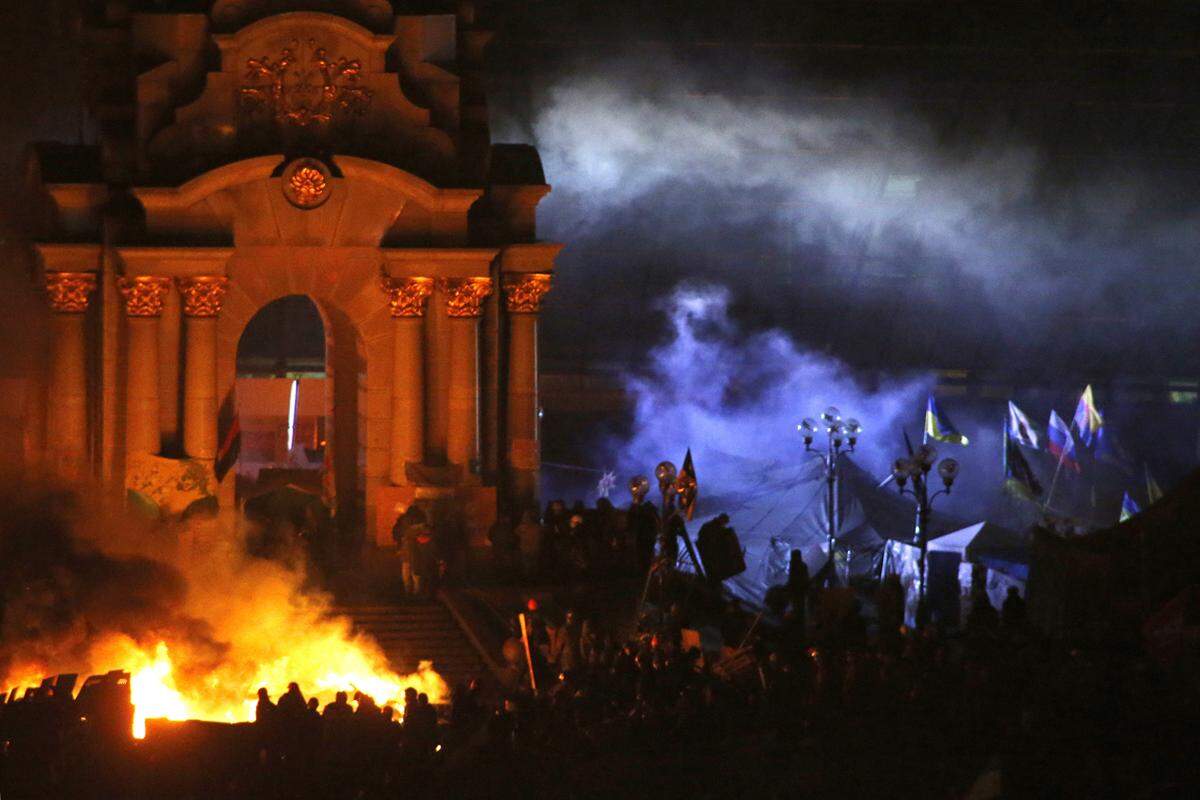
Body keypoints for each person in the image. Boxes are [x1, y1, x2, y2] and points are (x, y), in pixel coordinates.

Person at [515, 509, 543, 580]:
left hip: (528, 548)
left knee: (529, 564)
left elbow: (516, 532)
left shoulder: (524, 527)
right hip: (531, 548)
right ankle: (532, 578)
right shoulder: (536, 527)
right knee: (531, 564)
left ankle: (529, 578)